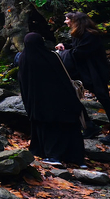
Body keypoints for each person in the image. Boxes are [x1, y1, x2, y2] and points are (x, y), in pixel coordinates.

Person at [56, 11, 110, 145]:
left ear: (76, 21)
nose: (65, 22)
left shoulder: (91, 36)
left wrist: (64, 53)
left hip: (95, 74)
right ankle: (89, 126)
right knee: (71, 96)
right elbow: (76, 48)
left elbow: (79, 53)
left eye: (67, 19)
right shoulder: (80, 34)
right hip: (85, 73)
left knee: (105, 100)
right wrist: (65, 46)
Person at [19, 32, 85, 166]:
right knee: (69, 127)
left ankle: (52, 156)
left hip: (40, 103)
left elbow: (23, 83)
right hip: (63, 100)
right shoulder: (51, 56)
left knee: (48, 128)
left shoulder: (25, 59)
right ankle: (77, 158)